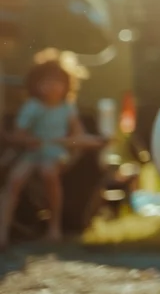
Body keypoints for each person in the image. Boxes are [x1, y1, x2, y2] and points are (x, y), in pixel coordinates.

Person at [0, 49, 105, 248]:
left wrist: (95, 140)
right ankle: (2, 232)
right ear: (35, 85)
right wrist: (28, 139)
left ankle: (54, 228)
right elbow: (19, 134)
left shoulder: (67, 108)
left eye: (57, 82)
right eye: (46, 82)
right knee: (15, 180)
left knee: (49, 173)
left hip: (54, 153)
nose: (52, 87)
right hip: (33, 153)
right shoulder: (33, 107)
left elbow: (78, 136)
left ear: (67, 85)